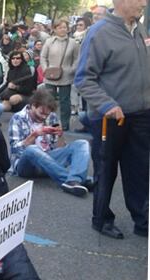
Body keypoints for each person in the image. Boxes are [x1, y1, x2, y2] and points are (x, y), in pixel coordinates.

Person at [75, 0, 149, 239]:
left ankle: (142, 219)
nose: (144, 3)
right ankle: (102, 219)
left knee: (139, 170)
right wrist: (107, 104)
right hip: (110, 116)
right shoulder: (99, 32)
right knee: (106, 171)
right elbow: (84, 78)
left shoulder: (139, 28)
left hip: (140, 115)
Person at [8, 90, 91, 197]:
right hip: (26, 165)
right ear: (33, 105)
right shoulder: (18, 118)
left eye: (46, 114)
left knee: (82, 143)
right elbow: (16, 150)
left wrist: (60, 135)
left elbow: (59, 148)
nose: (44, 117)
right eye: (41, 113)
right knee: (32, 149)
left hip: (48, 161)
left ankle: (74, 181)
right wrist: (35, 135)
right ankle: (75, 180)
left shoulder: (51, 117)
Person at [40, 20, 79, 131]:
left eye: (64, 27)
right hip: (50, 74)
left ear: (68, 28)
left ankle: (65, 124)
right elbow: (43, 57)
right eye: (59, 27)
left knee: (65, 100)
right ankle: (48, 121)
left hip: (66, 75)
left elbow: (77, 58)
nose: (62, 29)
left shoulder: (73, 43)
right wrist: (45, 68)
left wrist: (72, 69)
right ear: (55, 29)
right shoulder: (49, 41)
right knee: (48, 99)